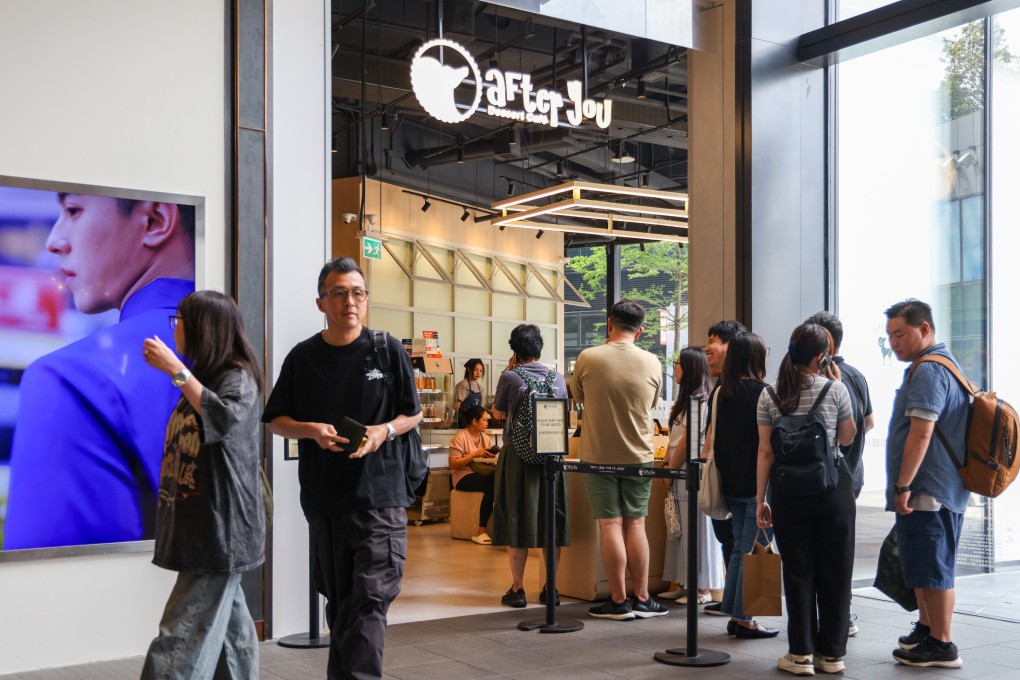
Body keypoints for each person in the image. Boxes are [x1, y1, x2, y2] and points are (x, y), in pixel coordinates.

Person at [262, 257, 422, 680]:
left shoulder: (386, 351)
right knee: (342, 604)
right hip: (325, 500)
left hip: (380, 498)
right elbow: (275, 420)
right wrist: (310, 430)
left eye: (357, 293)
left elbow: (412, 414)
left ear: (365, 300)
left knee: (371, 600)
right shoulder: (303, 358)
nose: (349, 301)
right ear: (321, 303)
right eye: (339, 293)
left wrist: (383, 430)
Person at [5, 193, 195, 550]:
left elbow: (53, 583)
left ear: (155, 221)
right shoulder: (245, 340)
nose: (54, 240)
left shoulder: (67, 379)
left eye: (74, 210)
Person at [138, 290, 265, 680]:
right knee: (232, 635)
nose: (174, 330)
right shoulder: (209, 377)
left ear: (202, 330)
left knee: (180, 637)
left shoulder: (237, 379)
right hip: (206, 530)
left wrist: (177, 370)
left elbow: (223, 418)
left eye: (179, 322)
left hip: (221, 532)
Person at [756, 323, 857, 676]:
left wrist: (760, 500)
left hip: (788, 491)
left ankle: (800, 654)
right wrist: (839, 385)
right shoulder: (836, 389)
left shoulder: (769, 394)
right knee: (837, 570)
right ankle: (832, 655)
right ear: (821, 356)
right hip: (832, 489)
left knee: (798, 571)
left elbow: (766, 452)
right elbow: (846, 439)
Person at [884, 299, 969, 669]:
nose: (894, 343)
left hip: (929, 489)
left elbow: (921, 433)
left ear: (924, 330)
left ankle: (942, 644)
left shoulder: (930, 371)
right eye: (889, 336)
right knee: (923, 563)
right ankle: (927, 627)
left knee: (935, 567)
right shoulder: (936, 365)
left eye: (900, 334)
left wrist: (903, 485)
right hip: (932, 487)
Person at [572, 300, 667, 621]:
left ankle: (618, 600)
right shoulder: (653, 362)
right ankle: (642, 598)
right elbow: (653, 405)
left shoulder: (588, 357)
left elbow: (579, 398)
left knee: (610, 524)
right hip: (640, 455)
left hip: (597, 455)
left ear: (609, 323)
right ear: (640, 331)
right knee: (635, 523)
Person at [701, 331, 778, 638]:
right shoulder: (764, 392)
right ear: (756, 357)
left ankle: (735, 614)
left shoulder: (722, 391)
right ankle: (746, 619)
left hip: (730, 481)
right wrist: (764, 494)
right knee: (757, 548)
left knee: (738, 550)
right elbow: (766, 447)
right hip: (758, 484)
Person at [805, 310, 875, 637]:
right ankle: (842, 614)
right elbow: (869, 423)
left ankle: (827, 619)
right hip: (852, 475)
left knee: (819, 551)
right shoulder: (857, 375)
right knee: (840, 552)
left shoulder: (820, 380)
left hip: (824, 476)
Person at [491, 324, 569, 608]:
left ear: (515, 350)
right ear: (540, 347)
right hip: (551, 457)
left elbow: (498, 412)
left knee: (517, 518)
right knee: (552, 520)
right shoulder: (557, 378)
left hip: (518, 456)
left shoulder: (510, 376)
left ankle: (518, 588)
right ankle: (551, 588)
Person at [660, 347, 725, 604]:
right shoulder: (687, 400)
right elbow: (675, 439)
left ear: (688, 368)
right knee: (680, 528)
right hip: (678, 469)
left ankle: (701, 589)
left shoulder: (699, 401)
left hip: (690, 470)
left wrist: (672, 468)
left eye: (677, 363)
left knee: (695, 528)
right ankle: (684, 582)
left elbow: (689, 442)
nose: (674, 367)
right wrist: (667, 465)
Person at [701, 319, 745, 615]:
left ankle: (742, 609)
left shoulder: (749, 389)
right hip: (724, 480)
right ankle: (733, 602)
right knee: (728, 540)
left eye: (714, 340)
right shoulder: (720, 388)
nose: (707, 348)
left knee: (740, 544)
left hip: (742, 485)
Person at [448, 404, 497, 545]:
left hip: (480, 473)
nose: (487, 423)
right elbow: (453, 464)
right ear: (474, 421)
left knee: (499, 479)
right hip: (462, 477)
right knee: (490, 483)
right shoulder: (460, 438)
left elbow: (484, 463)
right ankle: (480, 531)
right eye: (484, 420)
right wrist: (475, 454)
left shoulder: (485, 438)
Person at [453, 359, 485, 428]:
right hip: (463, 424)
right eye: (476, 370)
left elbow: (482, 409)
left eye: (481, 371)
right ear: (468, 369)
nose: (478, 373)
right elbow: (455, 405)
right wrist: (465, 412)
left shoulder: (481, 388)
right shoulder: (462, 385)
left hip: (475, 425)